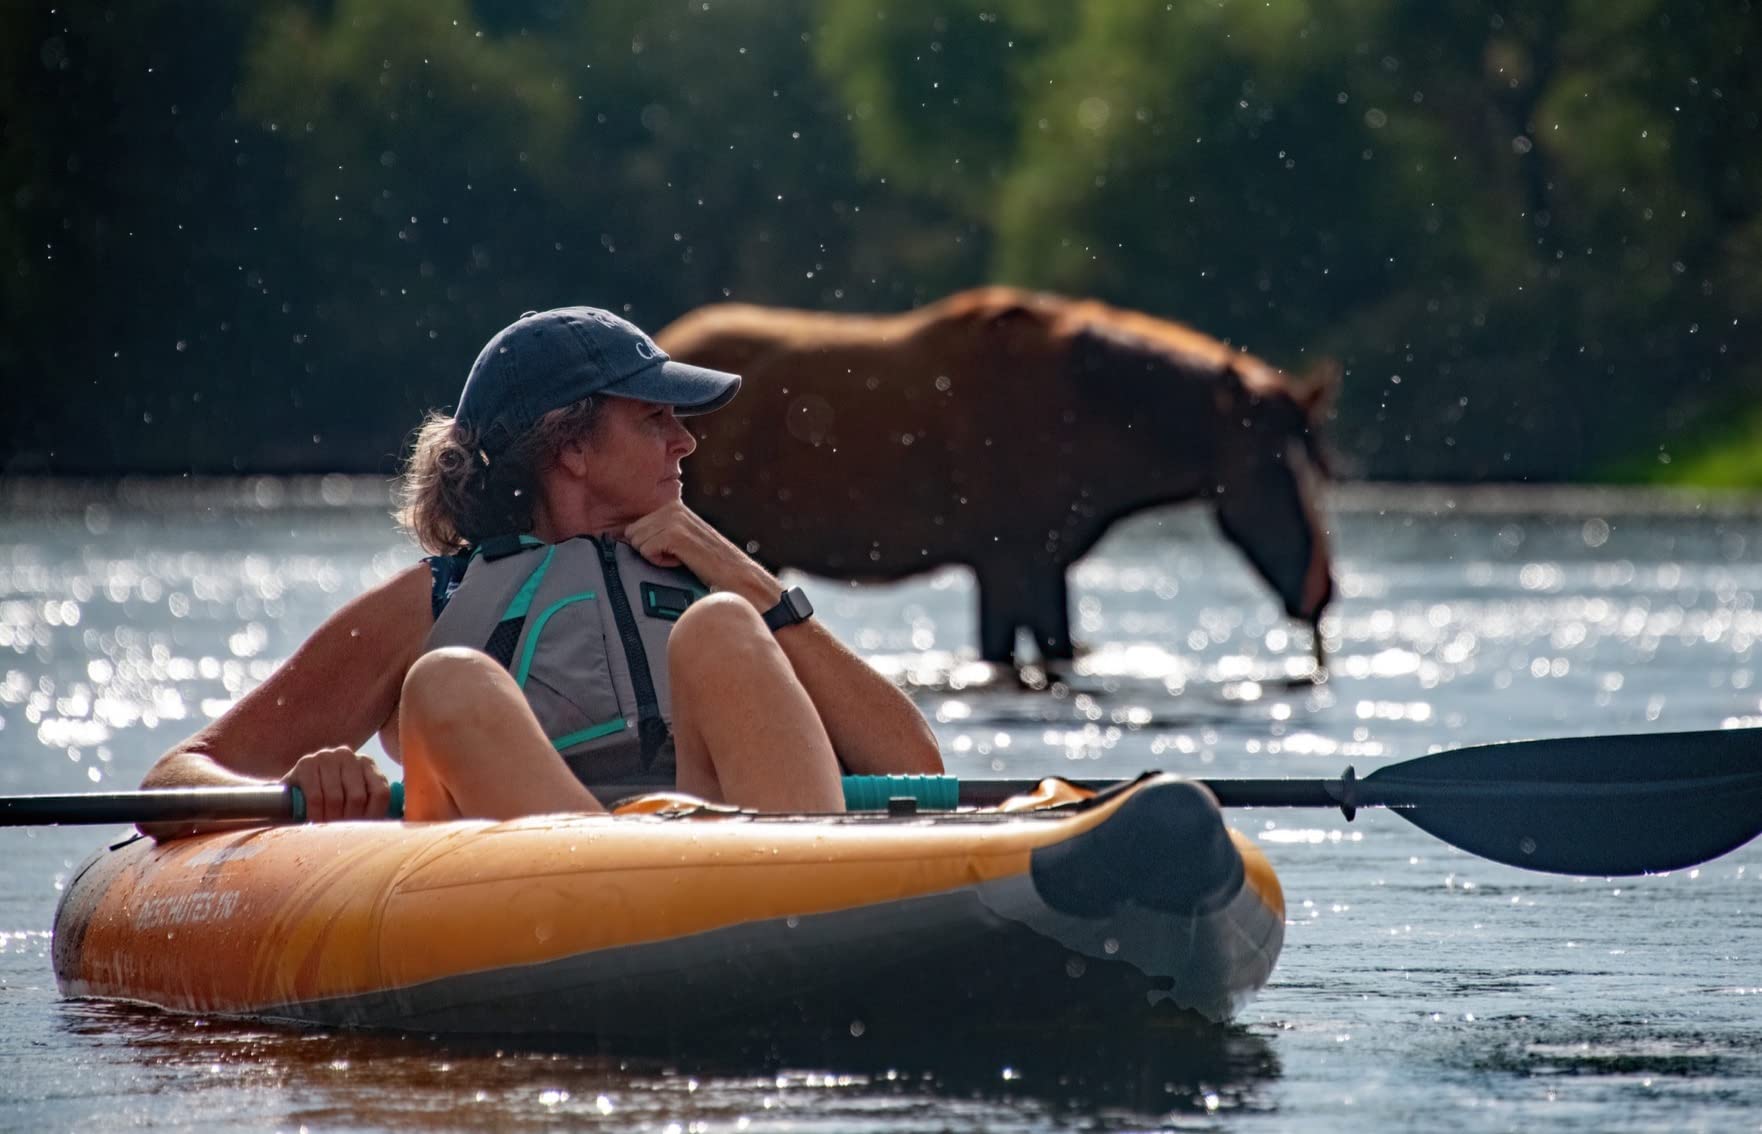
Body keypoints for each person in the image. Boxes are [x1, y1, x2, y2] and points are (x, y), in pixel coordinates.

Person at [139, 306, 943, 833]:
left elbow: (915, 766)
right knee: (448, 683)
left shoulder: (720, 586)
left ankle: (792, 917)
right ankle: (625, 909)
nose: (685, 442)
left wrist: (746, 580)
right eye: (654, 418)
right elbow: (176, 780)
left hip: (724, 860)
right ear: (572, 448)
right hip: (537, 885)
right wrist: (318, 782)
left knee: (723, 627)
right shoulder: (434, 601)